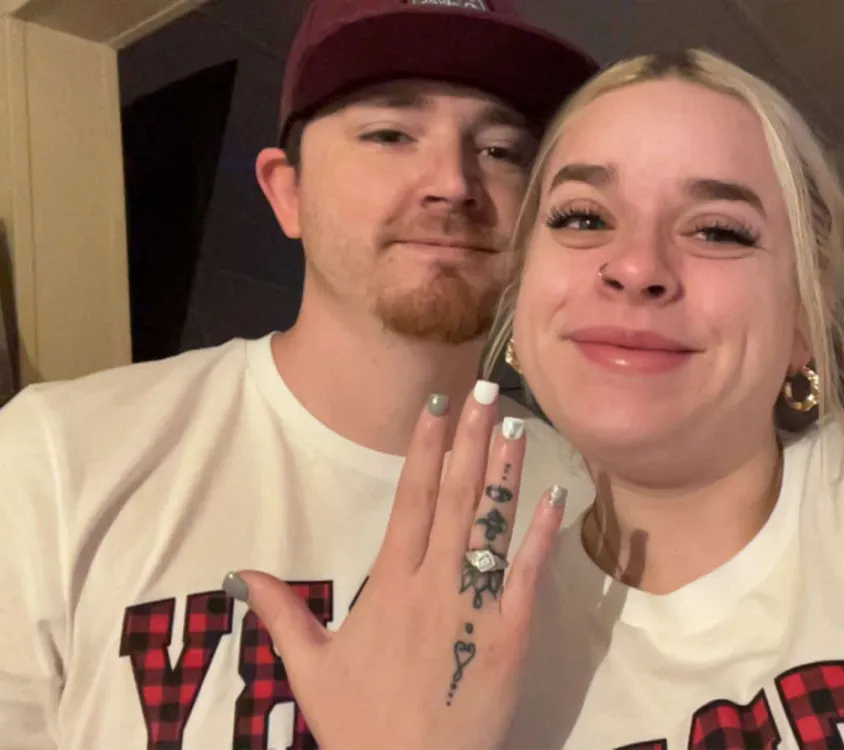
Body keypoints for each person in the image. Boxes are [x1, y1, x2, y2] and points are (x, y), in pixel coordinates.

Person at [228, 48, 844, 749]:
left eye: (720, 230)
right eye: (583, 216)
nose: (637, 265)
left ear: (803, 320)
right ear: (519, 304)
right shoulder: (446, 648)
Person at [0, 1, 597, 747]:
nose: (453, 182)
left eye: (502, 150)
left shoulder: (597, 507)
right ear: (289, 193)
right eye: (390, 134)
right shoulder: (54, 459)